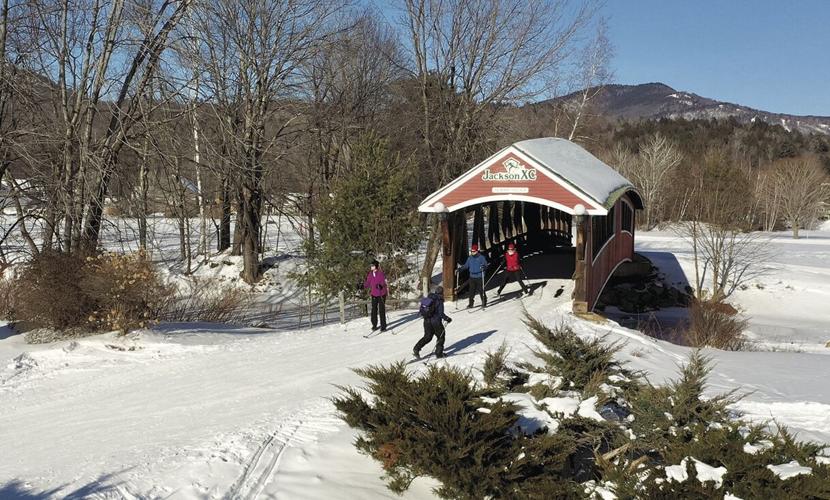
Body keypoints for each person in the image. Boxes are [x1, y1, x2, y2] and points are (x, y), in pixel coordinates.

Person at [413, 286, 452, 358]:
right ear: (442, 293)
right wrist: (447, 318)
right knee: (441, 336)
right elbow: (440, 314)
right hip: (436, 322)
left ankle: (416, 348)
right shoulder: (439, 300)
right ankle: (439, 353)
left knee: (427, 337)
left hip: (427, 321)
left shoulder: (429, 298)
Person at [457, 244, 488, 309]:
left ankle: (484, 302)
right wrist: (460, 269)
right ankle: (471, 304)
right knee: (471, 291)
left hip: (479, 276)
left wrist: (483, 267)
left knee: (481, 290)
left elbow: (486, 265)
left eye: (473, 251)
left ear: (477, 251)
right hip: (472, 276)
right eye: (471, 251)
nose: (472, 252)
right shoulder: (470, 258)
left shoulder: (481, 257)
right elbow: (466, 266)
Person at [363, 259, 387, 331]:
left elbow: (383, 282)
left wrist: (381, 285)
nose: (371, 267)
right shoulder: (370, 274)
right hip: (374, 294)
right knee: (374, 310)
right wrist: (362, 286)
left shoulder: (381, 273)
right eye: (371, 265)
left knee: (381, 310)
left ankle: (383, 326)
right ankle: (374, 325)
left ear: (376, 266)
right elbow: (368, 283)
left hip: (381, 294)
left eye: (372, 265)